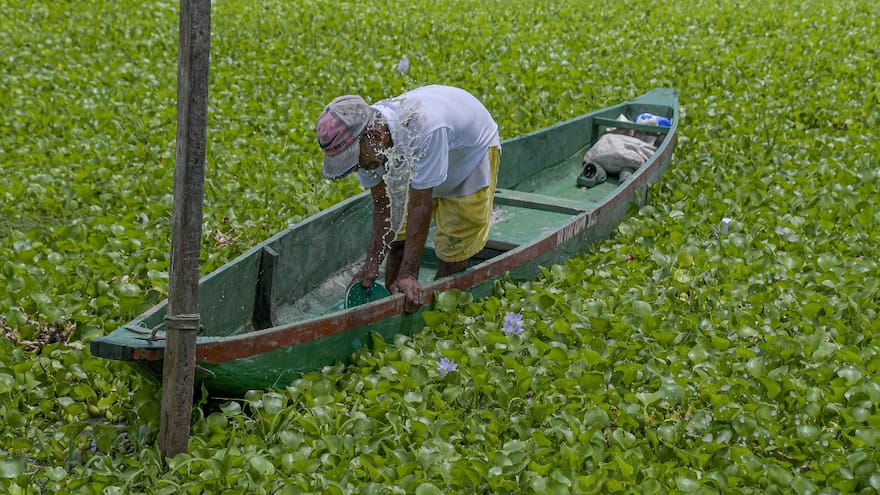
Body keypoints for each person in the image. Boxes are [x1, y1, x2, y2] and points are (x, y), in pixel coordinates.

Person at [315, 85, 500, 312]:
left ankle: (439, 312)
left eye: (357, 160)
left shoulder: (424, 127)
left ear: (375, 137)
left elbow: (421, 204)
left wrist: (409, 273)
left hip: (468, 159)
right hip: (423, 162)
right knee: (397, 242)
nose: (359, 167)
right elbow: (383, 205)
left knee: (453, 247)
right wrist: (372, 263)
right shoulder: (363, 144)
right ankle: (394, 308)